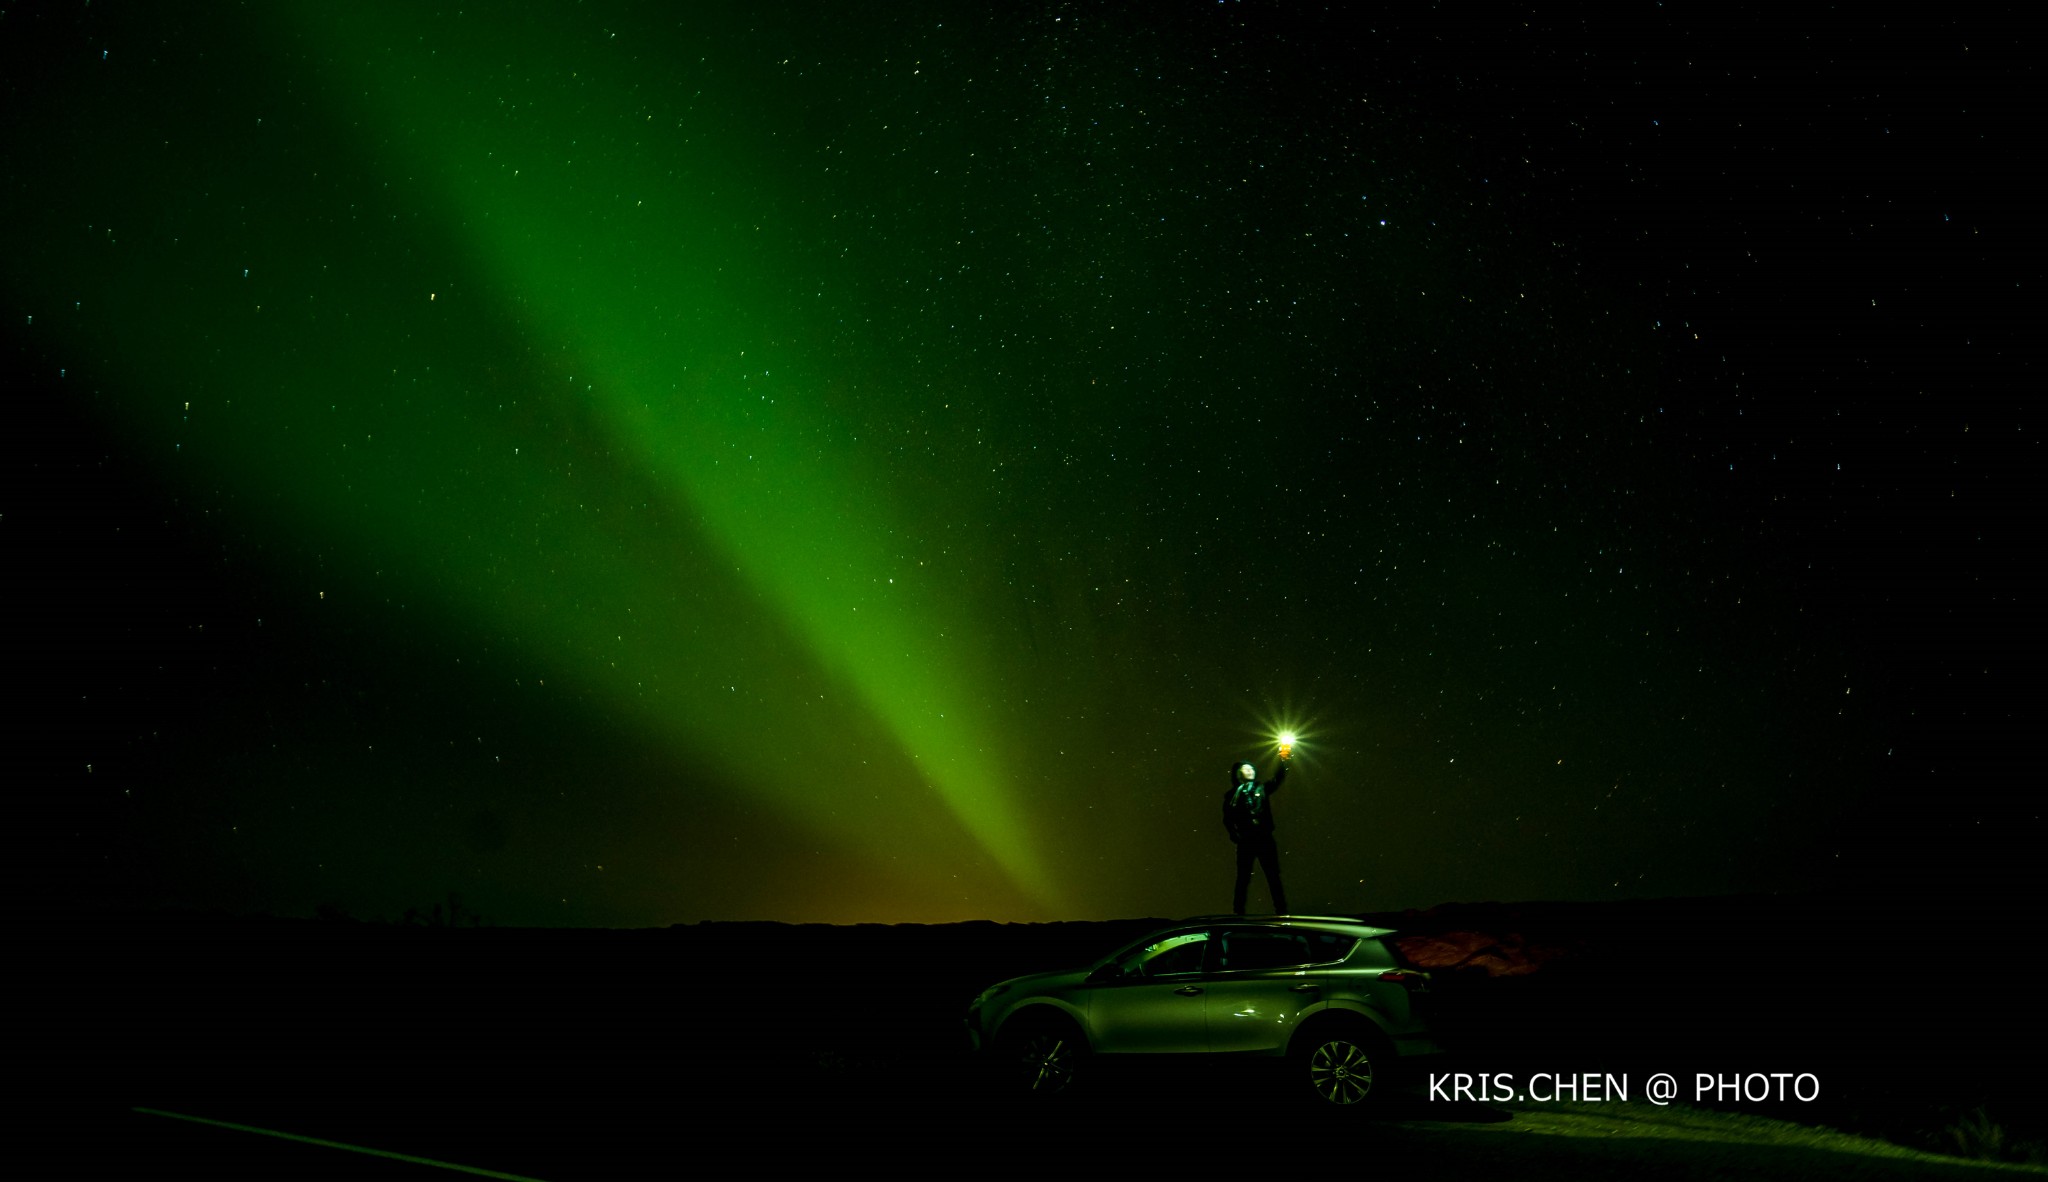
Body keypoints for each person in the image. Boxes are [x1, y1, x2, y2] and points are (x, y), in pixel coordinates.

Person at [1223, 755, 1289, 915]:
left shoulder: (1261, 788)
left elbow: (1277, 779)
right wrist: (1234, 835)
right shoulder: (1232, 795)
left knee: (1273, 875)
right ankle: (1238, 912)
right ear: (1239, 773)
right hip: (1246, 840)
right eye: (1246, 769)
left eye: (1252, 768)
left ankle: (1281, 910)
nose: (1251, 771)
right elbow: (1227, 818)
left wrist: (1284, 759)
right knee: (1243, 877)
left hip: (1264, 838)